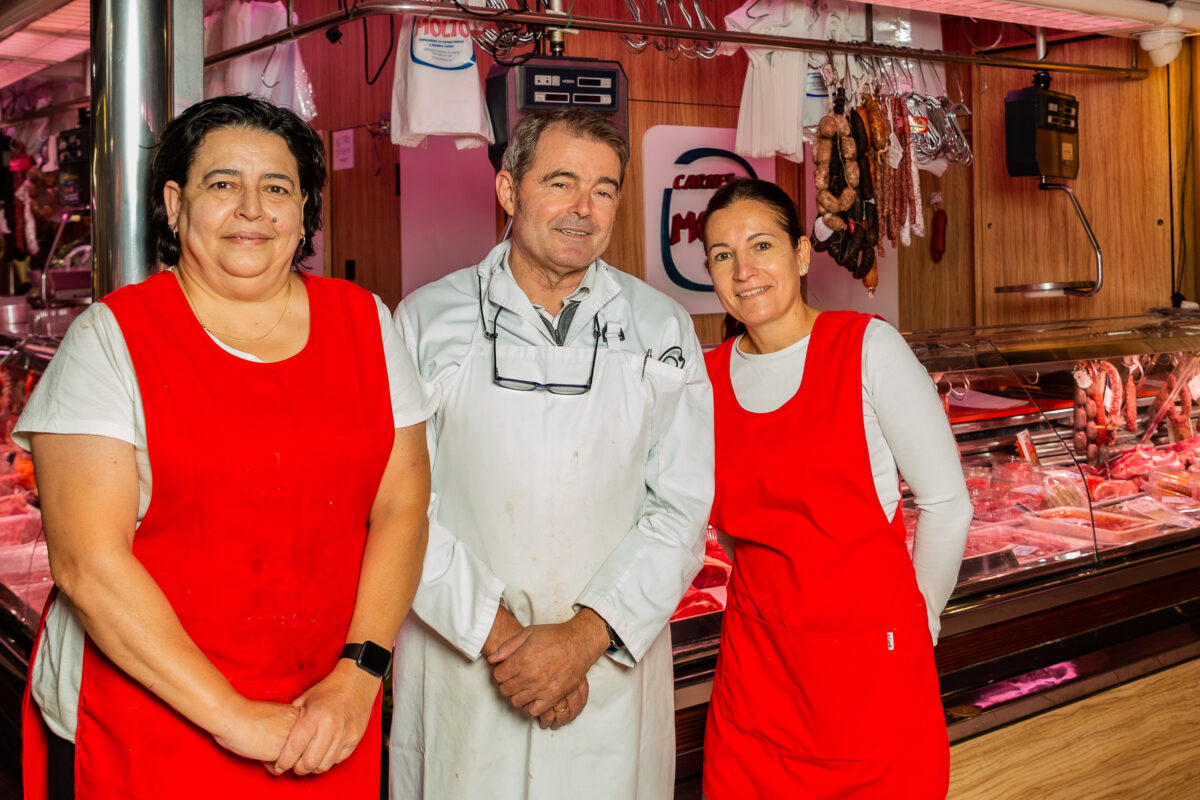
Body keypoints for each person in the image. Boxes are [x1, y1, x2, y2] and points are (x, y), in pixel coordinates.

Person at [16, 95, 436, 800]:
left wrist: (360, 672)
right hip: (149, 718)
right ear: (175, 204)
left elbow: (403, 505)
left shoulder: (366, 321)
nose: (252, 209)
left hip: (326, 712)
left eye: (277, 188)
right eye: (222, 184)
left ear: (303, 210)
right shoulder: (110, 340)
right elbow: (89, 565)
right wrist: (232, 717)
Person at [389, 107, 714, 799]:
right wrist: (506, 641)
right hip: (468, 664)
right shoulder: (424, 321)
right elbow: (401, 507)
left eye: (604, 189)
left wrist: (582, 640)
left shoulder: (661, 326)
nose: (583, 209)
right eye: (561, 183)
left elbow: (681, 507)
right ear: (509, 191)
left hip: (608, 668)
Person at [699, 178, 971, 799]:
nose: (743, 271)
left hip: (872, 680)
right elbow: (729, 534)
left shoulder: (866, 347)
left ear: (800, 255)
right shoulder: (706, 378)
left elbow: (947, 505)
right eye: (722, 255)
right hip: (757, 681)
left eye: (761, 246)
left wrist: (918, 623)